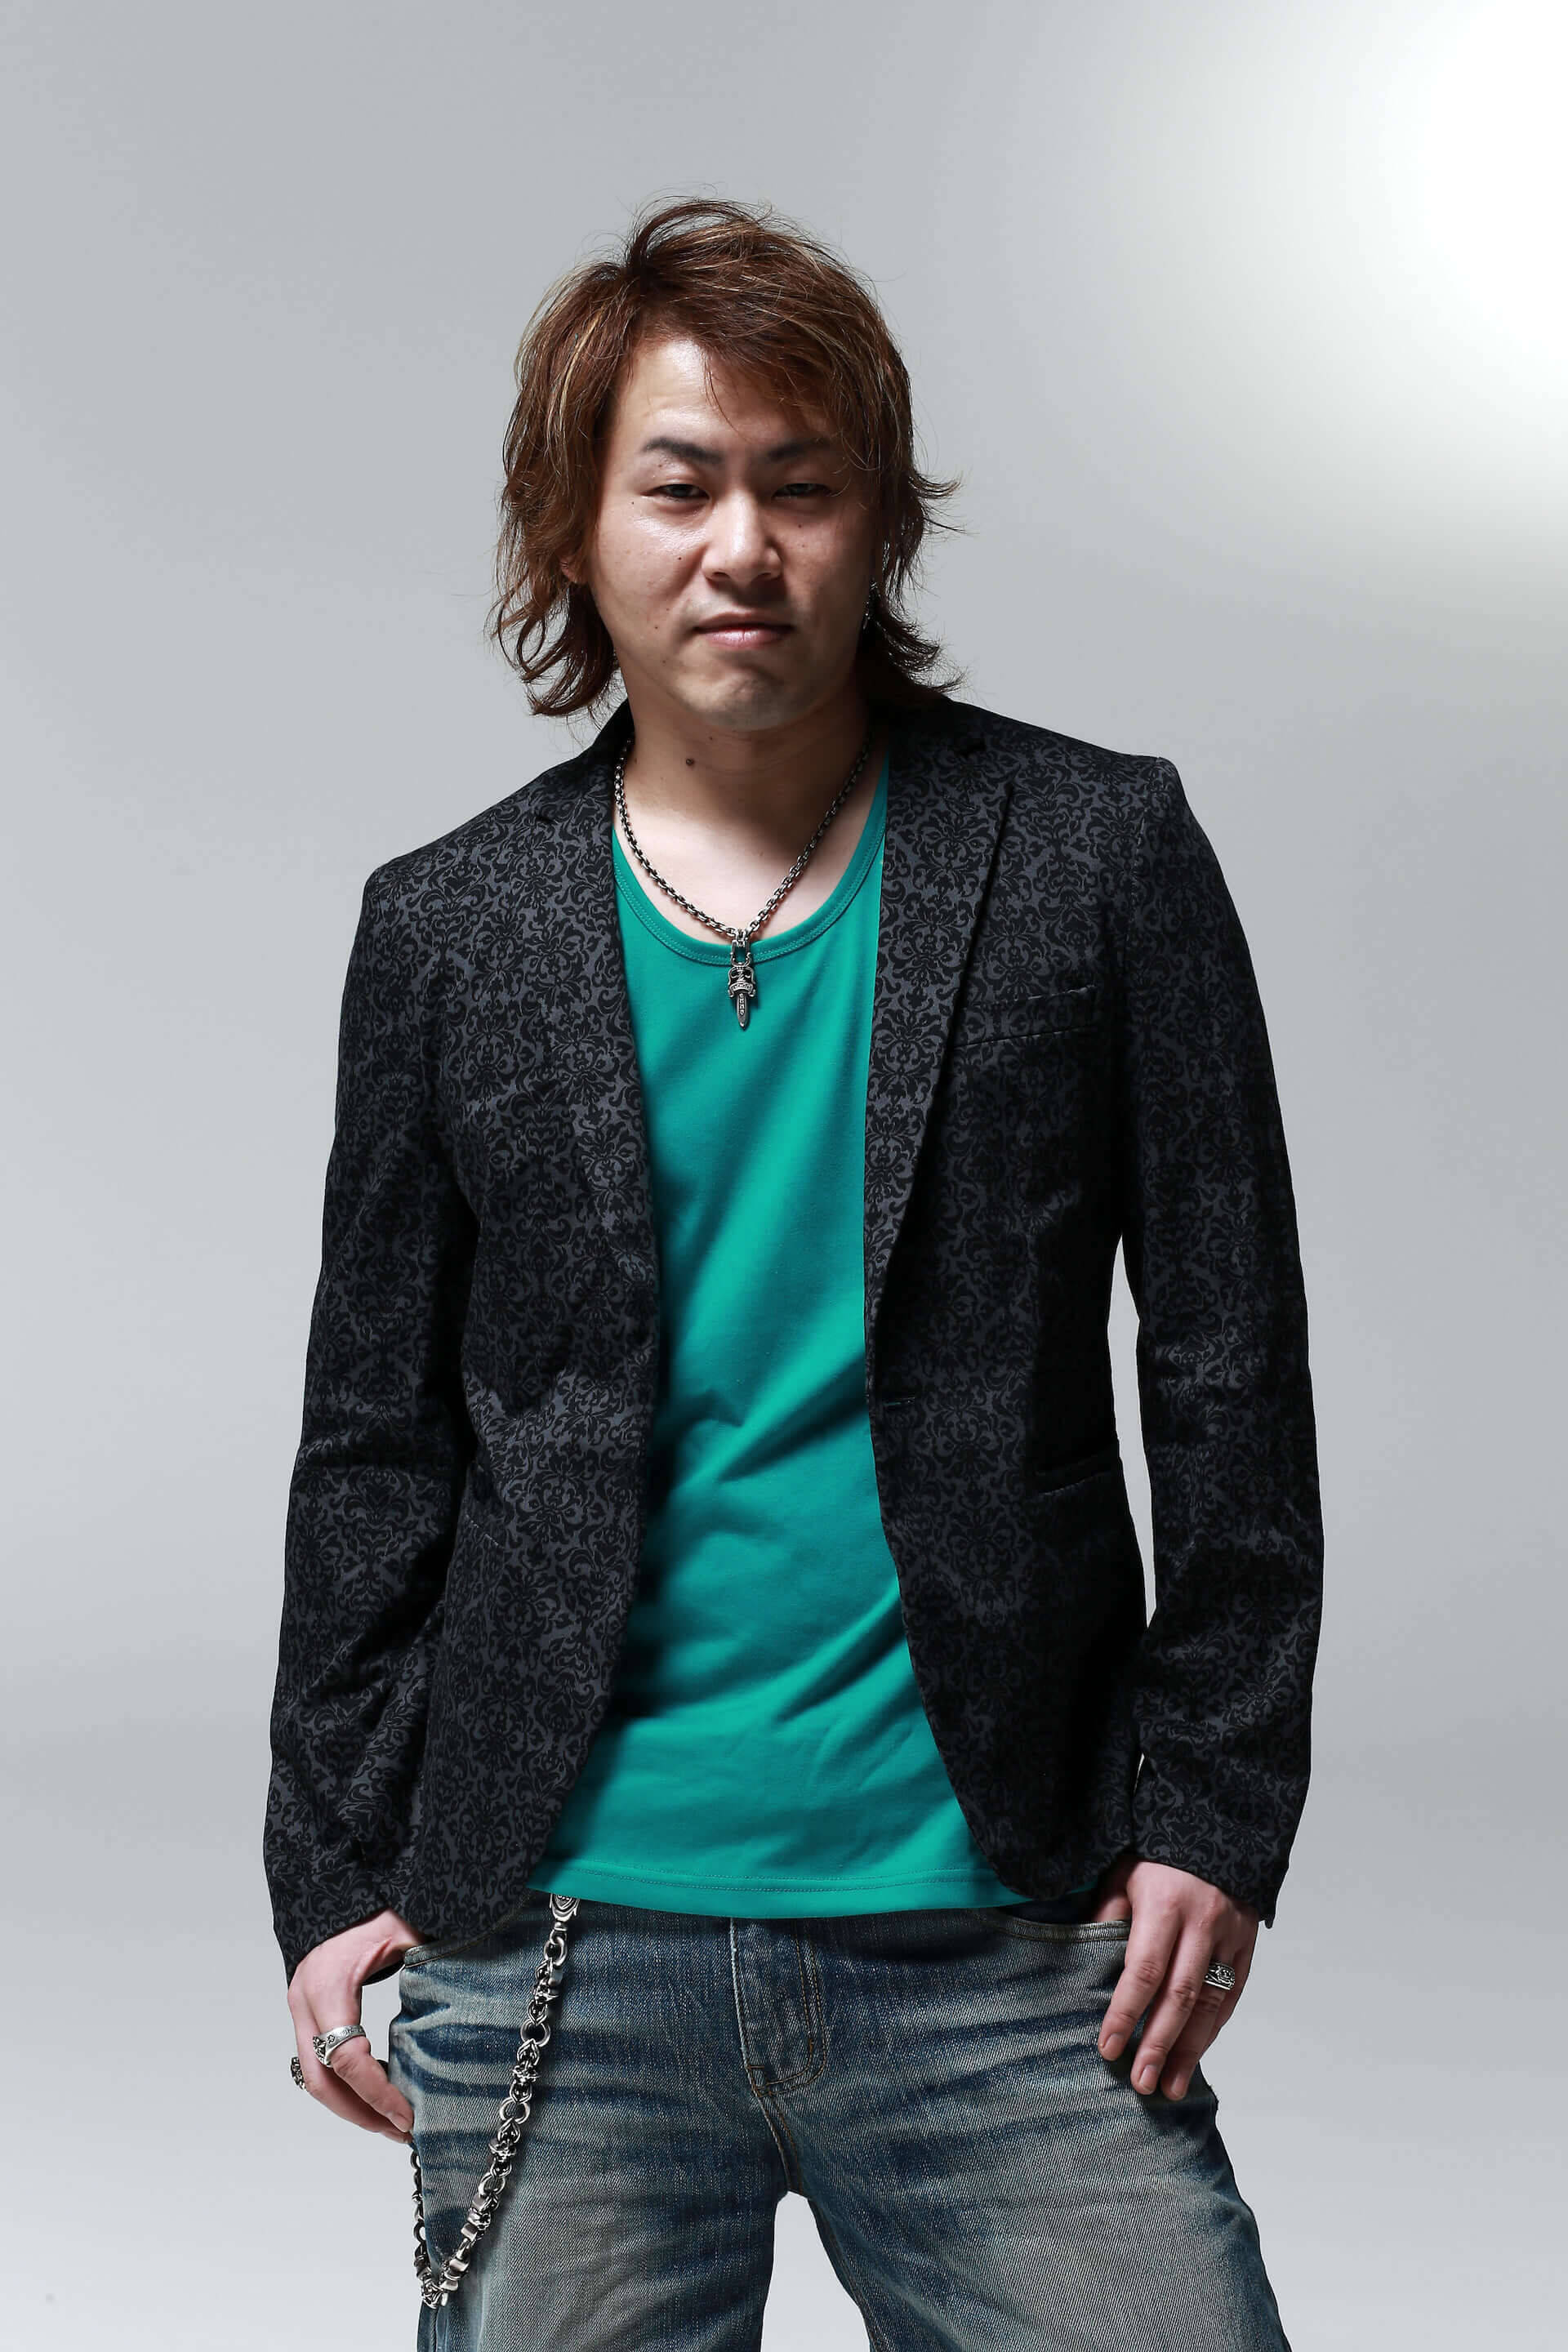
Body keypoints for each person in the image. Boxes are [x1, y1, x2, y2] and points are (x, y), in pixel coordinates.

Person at [265, 196, 1323, 2350]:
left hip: (1008, 1926)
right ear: (576, 531)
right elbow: (375, 1437)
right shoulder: (448, 930)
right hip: (559, 1937)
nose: (740, 546)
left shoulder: (1098, 858)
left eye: (801, 484)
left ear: (878, 524)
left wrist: (1215, 1808)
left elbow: (1228, 1364)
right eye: (678, 487)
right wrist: (341, 1870)